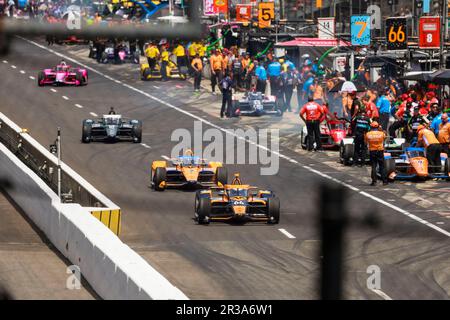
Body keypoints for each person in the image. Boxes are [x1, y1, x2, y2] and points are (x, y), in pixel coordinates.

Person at [365, 122, 388, 186]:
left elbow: (365, 142)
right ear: (378, 127)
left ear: (371, 127)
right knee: (382, 166)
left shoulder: (368, 134)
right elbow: (385, 138)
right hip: (380, 150)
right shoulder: (382, 133)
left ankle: (374, 181)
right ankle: (385, 181)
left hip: (372, 151)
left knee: (374, 166)